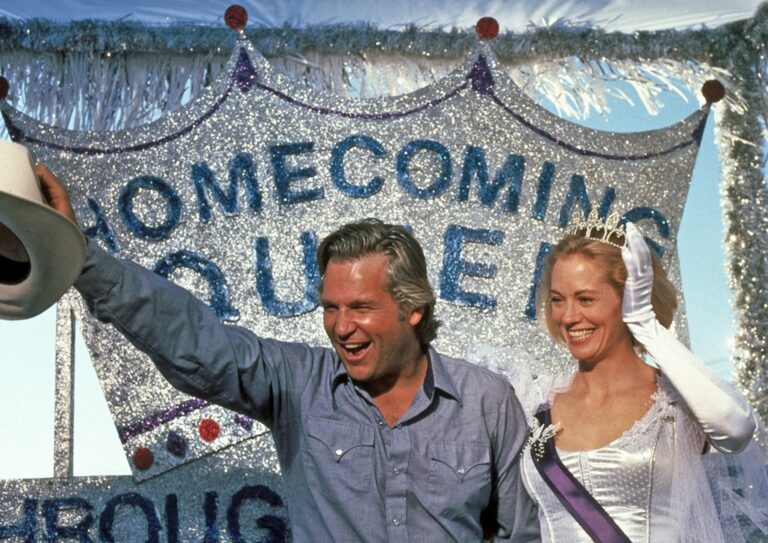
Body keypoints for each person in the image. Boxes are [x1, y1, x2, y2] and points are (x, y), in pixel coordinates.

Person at [36, 165, 540, 543]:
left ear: (414, 309)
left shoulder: (486, 401)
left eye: (361, 308)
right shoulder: (298, 383)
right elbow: (194, 343)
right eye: (331, 307)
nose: (341, 327)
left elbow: (524, 534)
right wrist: (82, 258)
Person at [469, 212, 763, 542]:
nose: (568, 316)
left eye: (585, 299)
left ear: (629, 300)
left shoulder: (675, 401)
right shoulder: (532, 399)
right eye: (558, 300)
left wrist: (645, 325)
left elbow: (737, 429)